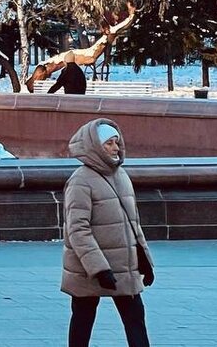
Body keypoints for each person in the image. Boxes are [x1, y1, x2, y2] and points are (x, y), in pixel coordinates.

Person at [62, 119, 154, 347]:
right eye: (109, 143)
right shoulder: (80, 180)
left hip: (123, 266)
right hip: (89, 268)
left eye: (117, 142)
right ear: (95, 145)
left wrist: (145, 260)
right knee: (83, 318)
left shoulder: (121, 176)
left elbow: (133, 223)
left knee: (135, 318)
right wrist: (99, 268)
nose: (116, 148)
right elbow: (78, 229)